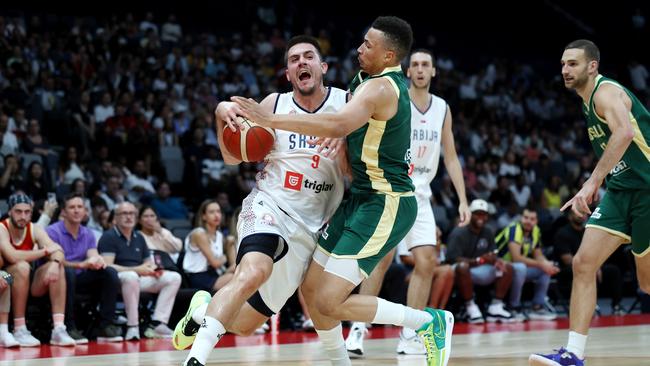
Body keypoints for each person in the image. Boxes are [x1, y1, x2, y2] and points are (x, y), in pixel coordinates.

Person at [235, 17, 453, 366]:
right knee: (310, 288)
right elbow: (348, 129)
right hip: (360, 198)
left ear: (389, 55)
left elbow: (338, 122)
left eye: (369, 44)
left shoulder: (382, 87)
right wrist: (342, 141)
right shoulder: (365, 78)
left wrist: (270, 120)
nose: (360, 48)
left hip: (385, 202)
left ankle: (428, 321)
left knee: (329, 302)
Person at [173, 35, 348, 366]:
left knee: (246, 323)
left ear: (322, 67)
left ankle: (199, 311)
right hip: (270, 205)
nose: (301, 62)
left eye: (308, 56)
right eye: (294, 59)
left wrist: (347, 147)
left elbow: (362, 165)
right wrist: (220, 112)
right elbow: (230, 157)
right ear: (288, 73)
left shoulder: (346, 104)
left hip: (314, 226)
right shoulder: (273, 105)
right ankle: (195, 360)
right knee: (253, 271)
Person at [530, 39, 650, 366]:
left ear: (592, 66)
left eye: (573, 64)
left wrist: (592, 181)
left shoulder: (605, 92)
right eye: (563, 64)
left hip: (647, 190)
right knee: (583, 264)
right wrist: (603, 180)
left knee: (646, 282)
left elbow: (624, 133)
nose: (565, 70)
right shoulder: (586, 102)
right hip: (621, 191)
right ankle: (573, 354)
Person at [345, 48, 470, 357]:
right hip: (392, 189)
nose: (420, 69)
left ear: (434, 71)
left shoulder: (442, 108)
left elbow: (451, 157)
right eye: (414, 64)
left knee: (427, 261)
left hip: (422, 194)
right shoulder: (396, 97)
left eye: (426, 64)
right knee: (382, 260)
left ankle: (411, 334)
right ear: (407, 70)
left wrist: (463, 200)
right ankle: (358, 331)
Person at [0, 193, 76, 346]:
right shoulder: (2, 228)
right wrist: (45, 251)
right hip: (5, 275)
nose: (23, 216)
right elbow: (13, 256)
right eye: (18, 211)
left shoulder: (34, 229)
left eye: (27, 212)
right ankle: (18, 328)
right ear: (10, 212)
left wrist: (54, 262)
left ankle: (59, 329)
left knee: (57, 266)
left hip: (28, 283)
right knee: (20, 267)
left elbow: (58, 250)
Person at [98, 202, 181, 340]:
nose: (129, 217)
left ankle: (158, 323)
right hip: (116, 280)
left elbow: (147, 262)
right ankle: (133, 326)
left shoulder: (139, 237)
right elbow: (107, 266)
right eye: (124, 213)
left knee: (174, 277)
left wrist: (152, 269)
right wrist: (137, 269)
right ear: (116, 218)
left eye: (131, 213)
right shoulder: (109, 236)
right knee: (131, 276)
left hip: (138, 277)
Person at [47, 193, 123, 343]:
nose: (76, 211)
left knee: (109, 272)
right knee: (67, 272)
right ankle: (68, 327)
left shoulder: (87, 233)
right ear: (64, 211)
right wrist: (80, 264)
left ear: (85, 211)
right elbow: (53, 262)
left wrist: (97, 260)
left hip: (81, 278)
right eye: (72, 207)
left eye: (80, 207)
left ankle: (105, 326)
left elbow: (92, 255)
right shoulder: (52, 231)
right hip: (59, 279)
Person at [446, 199, 515, 324]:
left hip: (481, 268)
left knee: (507, 267)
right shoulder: (459, 232)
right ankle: (470, 307)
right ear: (470, 215)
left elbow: (493, 252)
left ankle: (496, 307)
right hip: (460, 271)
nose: (481, 217)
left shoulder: (488, 231)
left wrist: (496, 260)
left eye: (484, 214)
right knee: (462, 267)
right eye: (478, 214)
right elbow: (452, 258)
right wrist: (480, 260)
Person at [554, 210, 624, 315]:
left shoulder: (588, 232)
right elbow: (567, 259)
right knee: (587, 271)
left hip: (591, 266)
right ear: (570, 216)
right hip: (568, 269)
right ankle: (587, 305)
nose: (582, 215)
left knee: (613, 271)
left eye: (584, 213)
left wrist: (596, 266)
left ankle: (616, 306)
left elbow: (596, 253)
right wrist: (591, 267)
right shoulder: (562, 233)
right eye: (578, 213)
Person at [496, 207, 559, 321]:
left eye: (532, 219)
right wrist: (541, 264)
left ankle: (537, 307)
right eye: (525, 218)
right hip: (499, 265)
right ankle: (513, 307)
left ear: (536, 221)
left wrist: (548, 264)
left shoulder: (535, 231)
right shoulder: (514, 229)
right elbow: (516, 258)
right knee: (521, 268)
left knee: (545, 270)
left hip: (514, 266)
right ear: (520, 218)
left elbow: (538, 254)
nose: (528, 221)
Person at [182, 200, 236, 292]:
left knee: (241, 273)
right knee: (234, 278)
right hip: (199, 276)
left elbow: (228, 263)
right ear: (203, 216)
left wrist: (229, 247)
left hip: (215, 273)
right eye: (211, 212)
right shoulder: (198, 234)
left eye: (218, 211)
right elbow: (215, 263)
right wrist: (225, 256)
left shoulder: (219, 235)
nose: (216, 215)